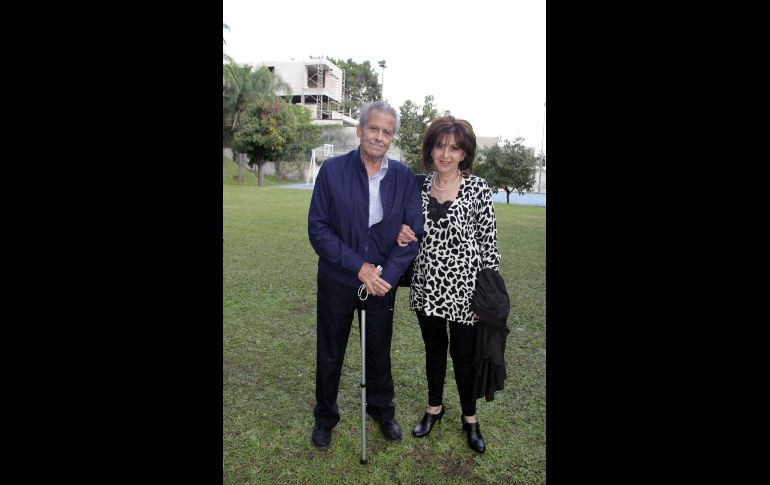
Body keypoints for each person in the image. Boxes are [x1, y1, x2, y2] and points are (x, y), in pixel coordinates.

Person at [307, 101, 424, 450]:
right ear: (359, 130)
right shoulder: (332, 171)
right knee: (330, 351)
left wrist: (384, 275)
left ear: (392, 137)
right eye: (373, 128)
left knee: (378, 351)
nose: (379, 136)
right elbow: (318, 228)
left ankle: (381, 410)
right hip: (339, 278)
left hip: (382, 284)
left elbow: (413, 231)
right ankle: (325, 416)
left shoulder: (403, 176)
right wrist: (359, 267)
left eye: (387, 132)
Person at [396, 115, 501, 453]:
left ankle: (470, 418)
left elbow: (490, 245)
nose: (445, 154)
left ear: (463, 153)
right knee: (435, 349)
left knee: (464, 355)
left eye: (453, 148)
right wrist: (401, 233)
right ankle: (434, 408)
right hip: (427, 285)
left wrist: (488, 294)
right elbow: (404, 230)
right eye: (440, 146)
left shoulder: (478, 188)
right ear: (431, 150)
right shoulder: (418, 186)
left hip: (465, 291)